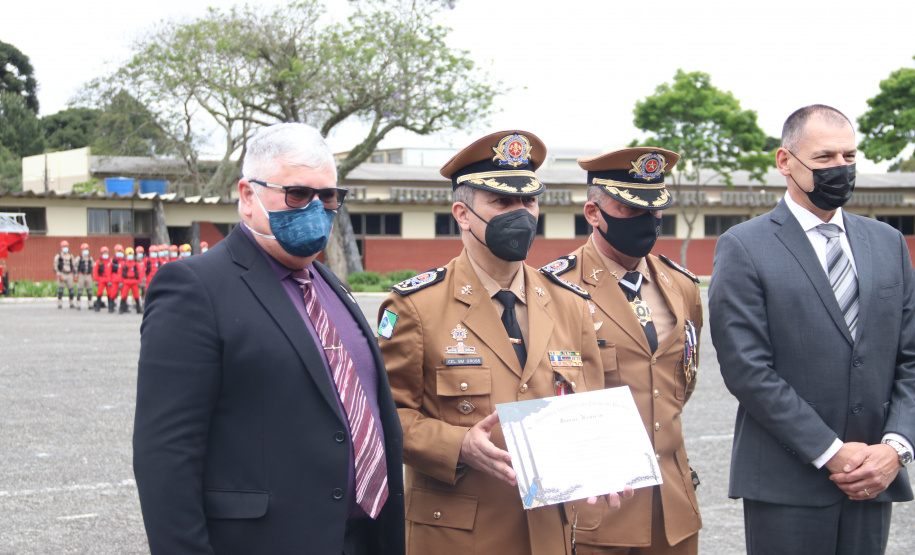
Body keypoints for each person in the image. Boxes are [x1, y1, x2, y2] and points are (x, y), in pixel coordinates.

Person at [134, 122, 405, 555]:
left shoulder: (329, 285)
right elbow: (166, 454)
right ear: (247, 196)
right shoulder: (195, 288)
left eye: (328, 196)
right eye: (297, 194)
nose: (316, 208)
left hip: (361, 539)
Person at [378, 130, 612, 555]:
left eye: (529, 201)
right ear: (463, 214)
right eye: (503, 202)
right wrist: (458, 445)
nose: (521, 214)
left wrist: (603, 462)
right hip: (458, 537)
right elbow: (386, 416)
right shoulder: (415, 307)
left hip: (548, 534)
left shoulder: (570, 304)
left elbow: (587, 409)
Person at [708, 104, 915, 554]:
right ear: (785, 161)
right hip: (787, 487)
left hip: (873, 481)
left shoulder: (888, 243)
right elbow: (748, 369)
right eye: (824, 157)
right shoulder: (743, 246)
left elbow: (910, 358)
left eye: (849, 156)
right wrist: (831, 452)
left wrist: (894, 449)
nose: (840, 168)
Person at [540, 147, 702, 554]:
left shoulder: (682, 285)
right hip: (596, 509)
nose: (647, 219)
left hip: (673, 509)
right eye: (631, 208)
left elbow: (679, 381)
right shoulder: (552, 290)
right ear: (593, 213)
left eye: (655, 208)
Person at [53, 240, 77, 309]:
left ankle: (71, 303)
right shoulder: (58, 256)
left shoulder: (70, 256)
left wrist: (75, 274)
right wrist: (58, 273)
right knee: (60, 290)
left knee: (71, 290)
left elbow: (74, 265)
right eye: (64, 247)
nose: (65, 248)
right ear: (61, 247)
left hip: (69, 274)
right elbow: (55, 266)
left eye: (66, 246)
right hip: (62, 273)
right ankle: (59, 304)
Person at [119, 247, 142, 314]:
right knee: (124, 295)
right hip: (126, 281)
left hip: (134, 281)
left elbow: (139, 272)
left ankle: (138, 309)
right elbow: (120, 273)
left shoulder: (136, 263)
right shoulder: (123, 263)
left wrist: (140, 281)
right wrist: (121, 281)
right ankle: (121, 309)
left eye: (131, 254)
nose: (130, 256)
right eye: (129, 254)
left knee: (136, 295)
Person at [75, 242, 94, 311]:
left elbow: (93, 266)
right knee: (79, 291)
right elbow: (75, 266)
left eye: (87, 249)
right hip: (81, 275)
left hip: (88, 275)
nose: (86, 251)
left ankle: (90, 304)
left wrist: (93, 275)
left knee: (89, 291)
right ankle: (78, 305)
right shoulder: (79, 258)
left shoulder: (90, 258)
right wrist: (76, 275)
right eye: (85, 249)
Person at [92, 246, 112, 312]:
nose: (105, 254)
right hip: (101, 278)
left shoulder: (110, 261)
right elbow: (95, 271)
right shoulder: (98, 262)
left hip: (109, 279)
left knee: (110, 293)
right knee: (99, 292)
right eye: (104, 253)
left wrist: (111, 280)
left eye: (106, 253)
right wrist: (96, 280)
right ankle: (97, 306)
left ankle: (110, 307)